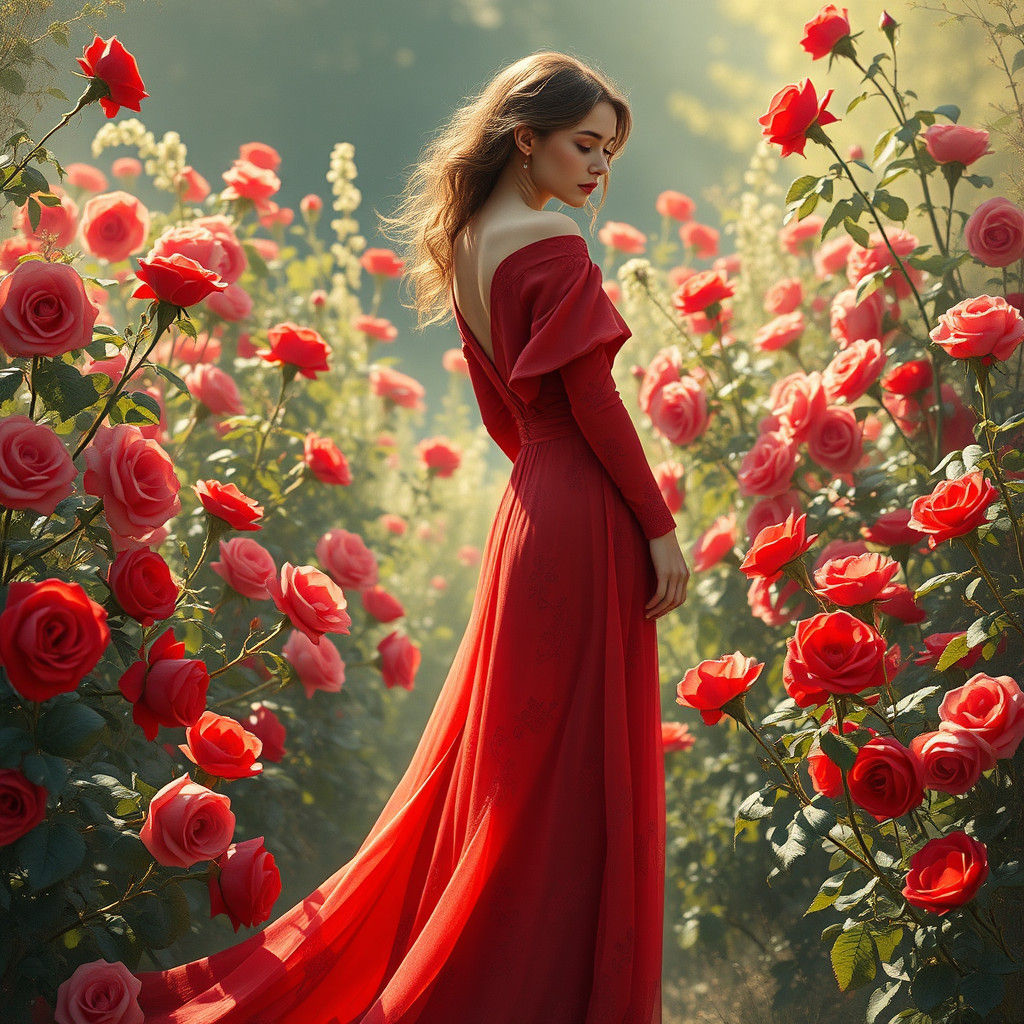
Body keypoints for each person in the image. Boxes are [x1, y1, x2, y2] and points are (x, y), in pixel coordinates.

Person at [133, 50, 689, 1024]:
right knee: (564, 767)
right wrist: (658, 527)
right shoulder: (552, 241)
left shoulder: (473, 235)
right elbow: (592, 399)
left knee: (521, 763)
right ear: (529, 138)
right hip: (582, 508)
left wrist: (544, 482)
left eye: (609, 151)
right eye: (584, 145)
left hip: (532, 504)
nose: (600, 168)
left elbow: (506, 410)